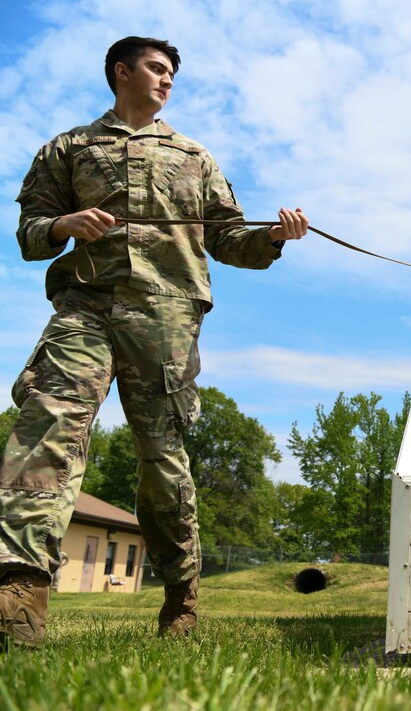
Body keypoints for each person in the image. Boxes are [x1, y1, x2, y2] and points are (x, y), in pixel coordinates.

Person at [0, 36, 309, 648]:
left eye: (172, 73)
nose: (167, 80)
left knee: (161, 460)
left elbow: (229, 241)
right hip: (85, 307)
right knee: (46, 428)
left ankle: (181, 595)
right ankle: (19, 590)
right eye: (156, 68)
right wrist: (63, 223)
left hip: (166, 320)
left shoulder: (194, 156)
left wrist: (274, 236)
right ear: (122, 71)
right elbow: (31, 235)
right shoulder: (69, 148)